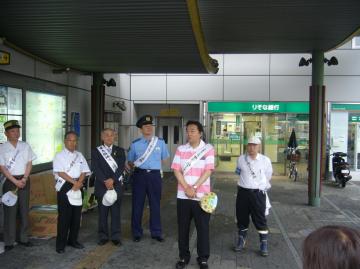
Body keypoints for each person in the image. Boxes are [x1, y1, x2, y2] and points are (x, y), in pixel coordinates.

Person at [171, 120, 215, 269]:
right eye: (188, 131)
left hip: (202, 197)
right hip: (183, 196)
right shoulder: (181, 149)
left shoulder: (208, 149)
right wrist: (186, 188)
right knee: (183, 228)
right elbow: (176, 169)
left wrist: (194, 187)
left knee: (203, 228)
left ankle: (203, 258)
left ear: (200, 133)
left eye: (192, 131)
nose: (189, 134)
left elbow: (208, 170)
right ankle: (183, 257)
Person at [127, 114, 169, 242]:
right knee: (137, 204)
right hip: (139, 176)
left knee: (155, 204)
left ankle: (156, 232)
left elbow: (165, 159)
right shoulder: (135, 144)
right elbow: (130, 161)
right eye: (146, 126)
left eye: (150, 125)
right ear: (141, 129)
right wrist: (140, 167)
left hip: (155, 176)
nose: (149, 128)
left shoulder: (160, 142)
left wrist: (153, 167)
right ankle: (136, 232)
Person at [0, 120, 36, 251]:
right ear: (6, 133)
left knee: (24, 210)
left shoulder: (25, 146)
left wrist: (25, 178)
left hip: (24, 180)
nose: (16, 133)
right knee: (10, 211)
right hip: (10, 181)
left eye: (17, 130)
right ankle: (9, 240)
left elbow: (29, 163)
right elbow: (2, 167)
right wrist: (15, 181)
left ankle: (24, 238)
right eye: (13, 131)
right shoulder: (2, 148)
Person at [233, 136, 272, 256]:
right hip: (243, 193)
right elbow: (238, 172)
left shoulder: (265, 160)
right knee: (242, 217)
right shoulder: (241, 159)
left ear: (259, 147)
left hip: (258, 194)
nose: (251, 148)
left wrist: (259, 185)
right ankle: (241, 240)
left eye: (254, 145)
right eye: (249, 145)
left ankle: (263, 243)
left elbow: (268, 175)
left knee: (260, 218)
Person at [53, 131, 90, 254]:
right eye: (70, 140)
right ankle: (60, 244)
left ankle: (73, 240)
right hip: (65, 185)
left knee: (76, 216)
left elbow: (84, 170)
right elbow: (60, 172)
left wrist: (79, 183)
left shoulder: (79, 155)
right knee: (64, 217)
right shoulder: (59, 155)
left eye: (75, 140)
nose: (73, 143)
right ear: (65, 141)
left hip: (78, 184)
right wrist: (74, 184)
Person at [91, 128, 126, 246]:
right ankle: (103, 236)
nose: (109, 137)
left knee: (116, 212)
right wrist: (105, 180)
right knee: (102, 213)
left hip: (116, 185)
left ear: (115, 137)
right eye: (106, 135)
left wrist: (113, 180)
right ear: (102, 137)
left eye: (111, 135)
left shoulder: (120, 151)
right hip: (102, 185)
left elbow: (121, 168)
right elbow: (95, 168)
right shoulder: (96, 151)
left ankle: (116, 236)